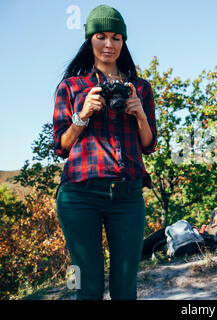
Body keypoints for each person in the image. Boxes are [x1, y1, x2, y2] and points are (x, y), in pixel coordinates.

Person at [53, 5, 157, 299]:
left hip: (128, 196)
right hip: (78, 196)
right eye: (101, 36)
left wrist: (140, 115)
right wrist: (82, 115)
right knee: (86, 287)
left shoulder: (140, 88)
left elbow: (149, 145)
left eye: (116, 37)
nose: (109, 44)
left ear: (123, 42)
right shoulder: (72, 87)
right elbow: (61, 146)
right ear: (90, 40)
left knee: (126, 289)